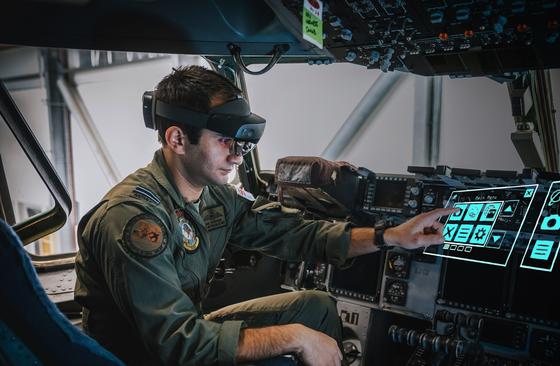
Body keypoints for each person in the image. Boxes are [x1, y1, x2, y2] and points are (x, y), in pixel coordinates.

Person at [74, 65, 455, 366]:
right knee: (299, 332)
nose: (238, 156)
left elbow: (294, 233)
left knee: (314, 307)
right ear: (177, 139)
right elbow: (177, 344)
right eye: (224, 140)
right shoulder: (135, 221)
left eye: (241, 143)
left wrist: (388, 236)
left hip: (177, 339)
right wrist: (294, 337)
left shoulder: (212, 197)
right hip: (140, 357)